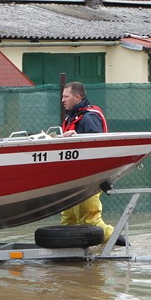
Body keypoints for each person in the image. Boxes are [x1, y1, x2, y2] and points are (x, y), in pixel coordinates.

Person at [58, 81, 114, 242]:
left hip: (88, 179)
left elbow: (97, 145)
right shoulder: (72, 117)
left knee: (90, 220)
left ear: (77, 97)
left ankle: (120, 244)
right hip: (72, 179)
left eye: (66, 96)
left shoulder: (89, 117)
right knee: (68, 219)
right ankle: (71, 251)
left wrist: (76, 137)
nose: (62, 100)